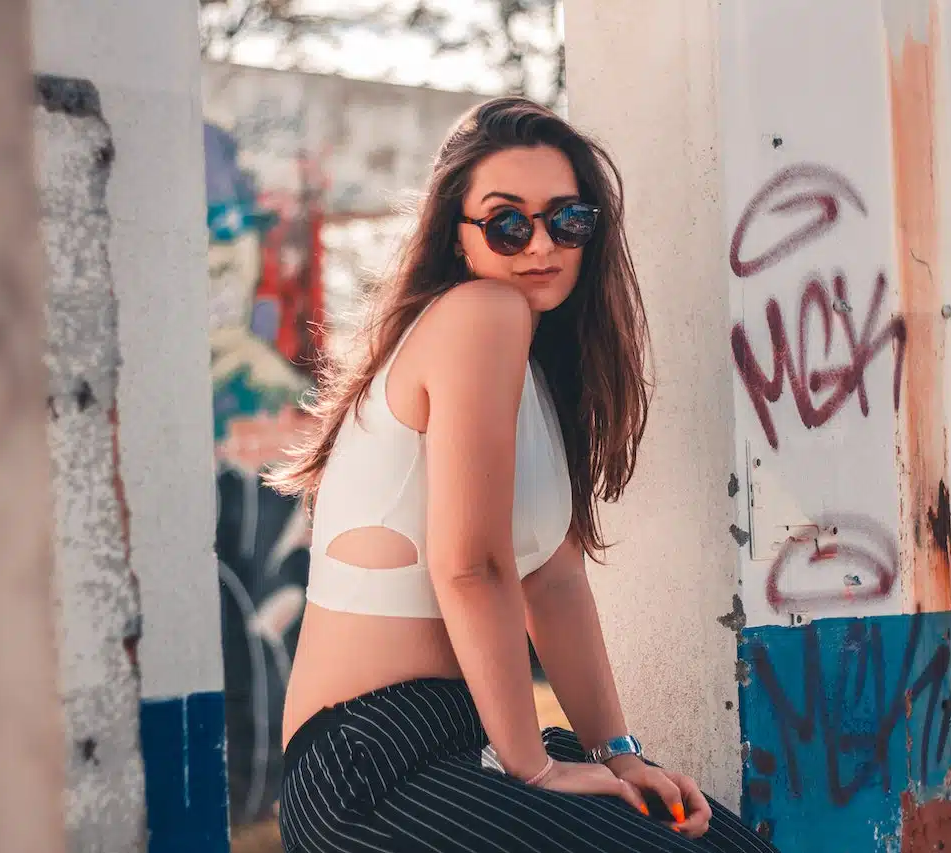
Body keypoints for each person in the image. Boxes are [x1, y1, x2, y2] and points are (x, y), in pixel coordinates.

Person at [266, 96, 779, 853]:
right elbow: (470, 566)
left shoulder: (535, 368)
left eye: (567, 220)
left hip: (462, 736)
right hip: (372, 760)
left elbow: (555, 581)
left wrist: (618, 753)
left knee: (725, 843)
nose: (541, 244)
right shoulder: (481, 315)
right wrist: (534, 767)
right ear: (457, 233)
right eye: (508, 223)